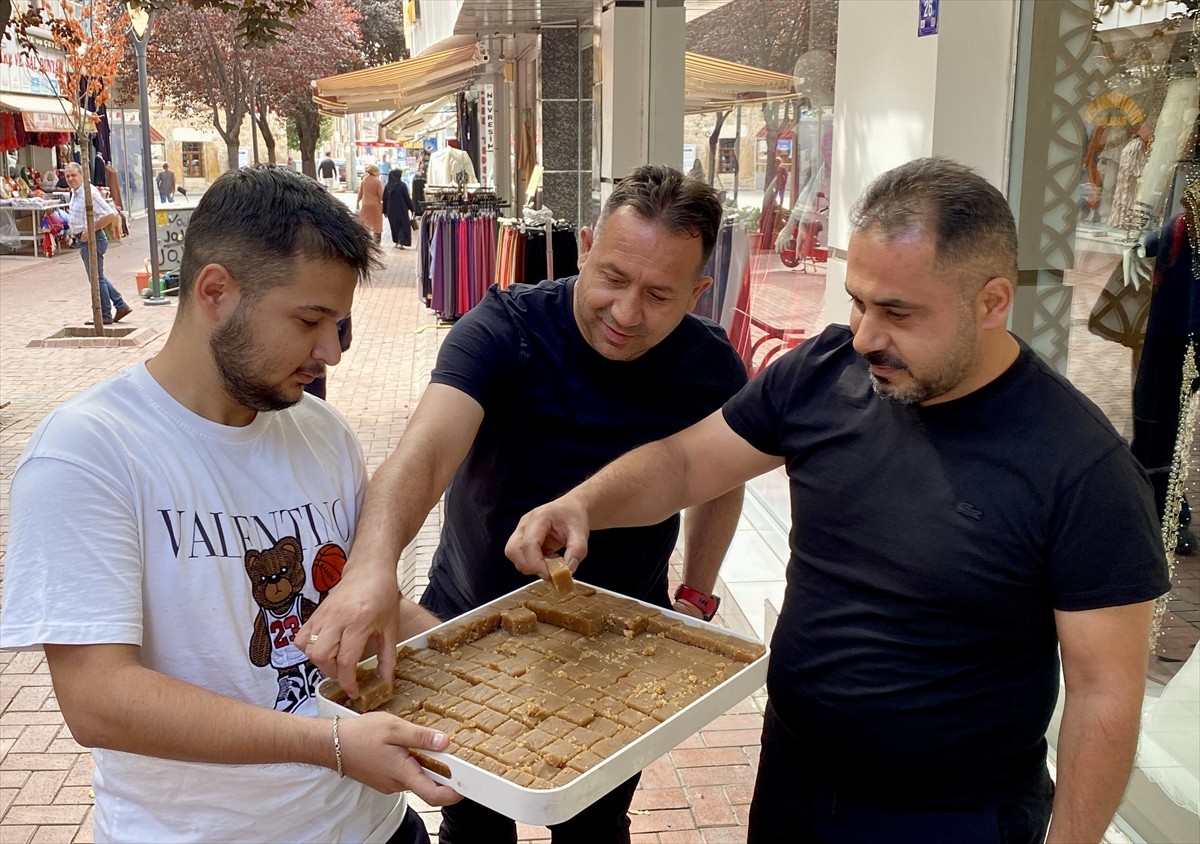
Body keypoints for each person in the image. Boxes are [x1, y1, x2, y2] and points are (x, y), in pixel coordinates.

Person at [507, 157, 1171, 844]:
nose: (865, 336)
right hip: (793, 785)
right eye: (857, 300)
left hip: (953, 822)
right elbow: (684, 463)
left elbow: (1104, 692)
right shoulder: (825, 374)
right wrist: (585, 503)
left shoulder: (1081, 467)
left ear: (992, 302)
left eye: (897, 312)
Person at [0, 165, 459, 843]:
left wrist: (491, 652)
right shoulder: (87, 453)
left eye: (340, 325)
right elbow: (97, 700)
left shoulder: (321, 431)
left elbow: (355, 610)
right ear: (215, 291)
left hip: (375, 828)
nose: (329, 352)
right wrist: (330, 745)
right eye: (309, 320)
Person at [300, 163, 749, 844]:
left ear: (699, 290)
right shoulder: (503, 327)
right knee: (471, 822)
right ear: (588, 244)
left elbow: (719, 479)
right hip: (466, 623)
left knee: (596, 823)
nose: (628, 314)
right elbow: (420, 457)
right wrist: (371, 570)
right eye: (615, 279)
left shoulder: (712, 364)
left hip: (614, 642)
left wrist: (696, 593)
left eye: (660, 295)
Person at [63, 162, 132, 325]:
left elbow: (110, 214)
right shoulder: (76, 192)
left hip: (94, 239)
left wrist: (90, 230)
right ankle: (120, 305)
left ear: (82, 175)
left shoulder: (89, 192)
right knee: (97, 277)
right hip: (83, 239)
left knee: (96, 278)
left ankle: (106, 315)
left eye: (74, 175)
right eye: (67, 176)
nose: (71, 179)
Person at [382, 169, 418, 249]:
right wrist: (412, 209)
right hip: (401, 209)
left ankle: (397, 241)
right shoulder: (402, 185)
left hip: (390, 209)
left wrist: (384, 211)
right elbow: (407, 198)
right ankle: (401, 241)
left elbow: (384, 199)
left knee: (394, 226)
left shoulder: (388, 186)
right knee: (403, 225)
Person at [356, 163, 385, 244]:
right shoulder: (378, 181)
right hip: (375, 205)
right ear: (374, 172)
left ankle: (364, 240)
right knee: (377, 223)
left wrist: (358, 201)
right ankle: (377, 242)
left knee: (365, 222)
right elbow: (382, 196)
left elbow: (360, 193)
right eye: (377, 171)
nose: (379, 173)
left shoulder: (364, 180)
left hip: (365, 204)